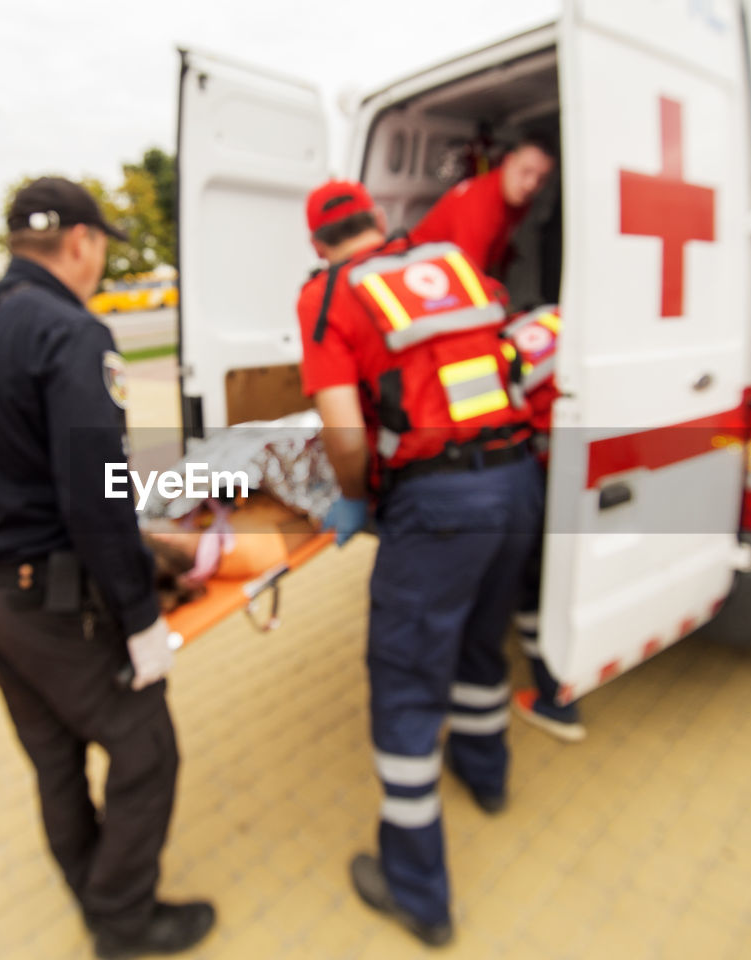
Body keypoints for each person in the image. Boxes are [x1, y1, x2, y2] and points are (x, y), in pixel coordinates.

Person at [0, 177, 215, 960]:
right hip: (46, 595)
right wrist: (142, 618)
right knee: (145, 749)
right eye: (101, 250)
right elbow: (97, 496)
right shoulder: (71, 333)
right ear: (81, 242)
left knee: (55, 753)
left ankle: (89, 888)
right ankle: (122, 922)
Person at [298, 180, 544, 946]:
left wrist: (355, 497)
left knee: (406, 683)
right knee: (480, 639)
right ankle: (488, 775)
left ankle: (417, 894)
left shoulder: (329, 293)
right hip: (518, 481)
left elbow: (344, 432)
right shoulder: (457, 266)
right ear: (380, 222)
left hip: (438, 507)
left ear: (318, 244)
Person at [499, 304, 586, 742]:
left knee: (532, 591)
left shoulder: (514, 338)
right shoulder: (574, 321)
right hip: (586, 475)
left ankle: (557, 699)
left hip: (539, 478)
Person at [410, 136, 555, 279]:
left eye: (541, 179)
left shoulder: (520, 201)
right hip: (419, 270)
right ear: (508, 161)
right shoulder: (481, 203)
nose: (531, 184)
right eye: (525, 171)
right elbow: (470, 276)